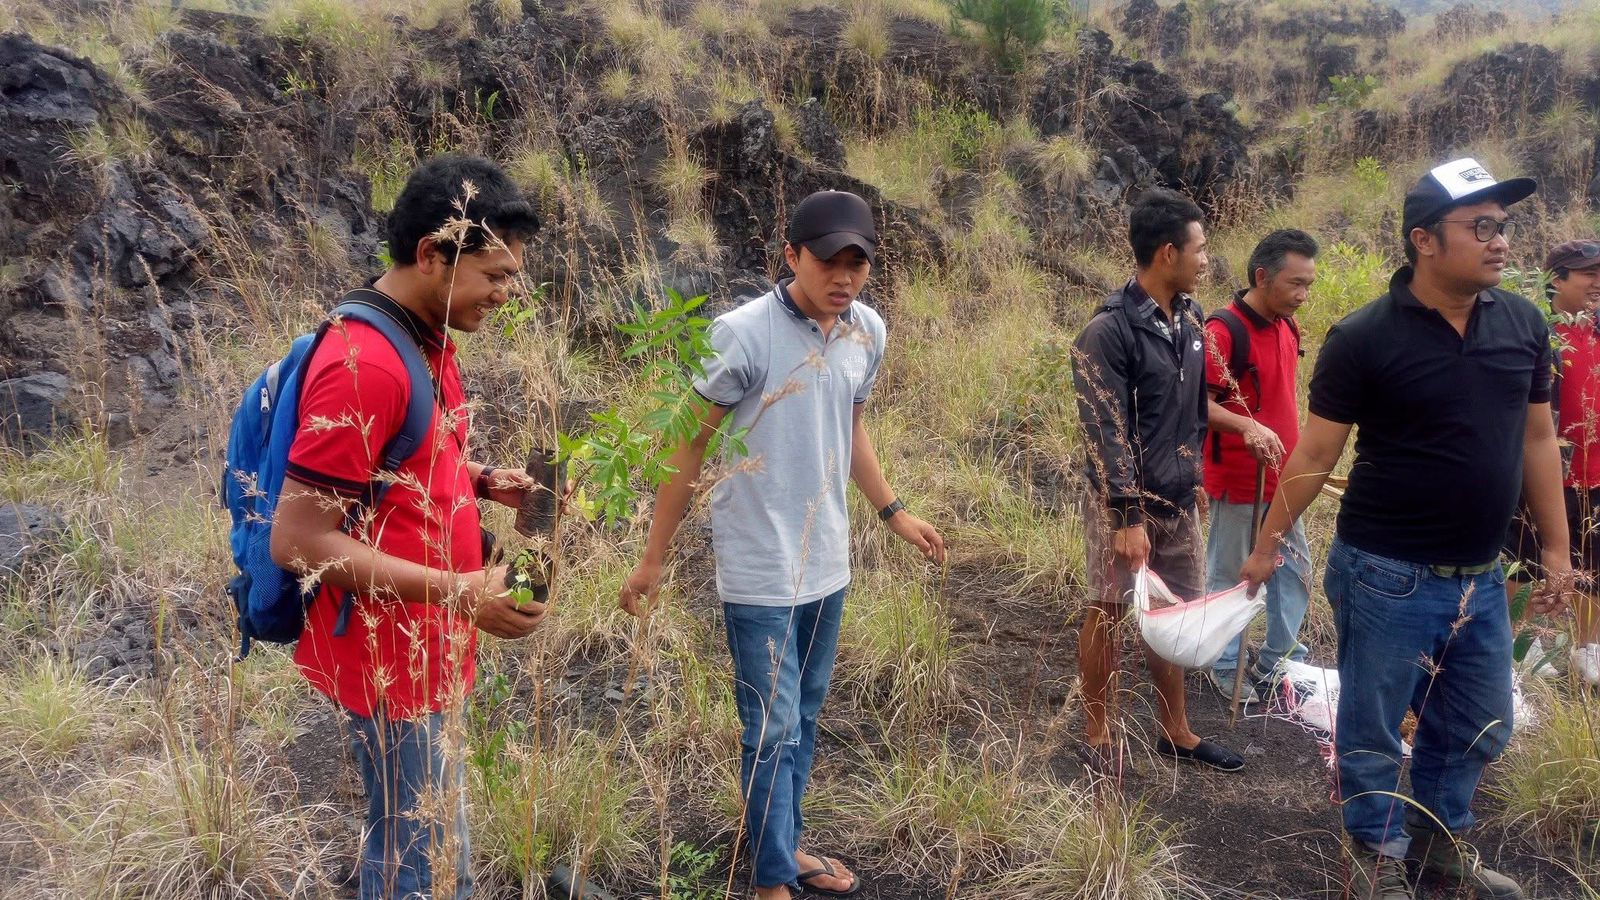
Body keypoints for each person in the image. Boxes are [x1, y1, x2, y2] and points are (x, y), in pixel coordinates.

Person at [1240, 158, 1573, 900]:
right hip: (1385, 571)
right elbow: (1317, 450)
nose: (1499, 243)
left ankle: (1439, 847)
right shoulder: (1364, 338)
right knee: (1373, 727)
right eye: (1479, 227)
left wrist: (1555, 547)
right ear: (1423, 240)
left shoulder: (1522, 323)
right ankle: (1377, 859)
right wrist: (1267, 544)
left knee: (1480, 722)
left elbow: (1537, 440)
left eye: (1503, 227)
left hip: (1482, 576)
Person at [617, 190, 946, 900]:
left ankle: (784, 846)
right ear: (791, 255)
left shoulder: (868, 332)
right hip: (760, 568)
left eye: (858, 263)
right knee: (768, 729)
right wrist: (653, 559)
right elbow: (689, 446)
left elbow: (850, 428)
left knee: (802, 716)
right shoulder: (743, 334)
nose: (845, 277)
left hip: (828, 561)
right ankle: (771, 879)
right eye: (830, 260)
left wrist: (894, 513)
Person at [270, 155, 547, 899]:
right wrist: (462, 592)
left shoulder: (426, 339)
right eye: (495, 275)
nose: (506, 293)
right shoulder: (365, 363)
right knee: (421, 857)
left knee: (417, 835)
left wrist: (485, 484)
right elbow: (297, 538)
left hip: (428, 644)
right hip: (390, 663)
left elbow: (401, 462)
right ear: (431, 255)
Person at [1070, 187, 1245, 774]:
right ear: (1168, 252)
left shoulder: (1191, 320)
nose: (1206, 260)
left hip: (1178, 496)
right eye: (1200, 249)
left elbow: (1191, 407)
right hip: (1126, 505)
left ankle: (1177, 731)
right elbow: (1105, 431)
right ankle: (1098, 734)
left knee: (1177, 615)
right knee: (1111, 607)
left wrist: (1192, 469)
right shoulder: (1108, 331)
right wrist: (1126, 516)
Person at [1202, 229, 1319, 704]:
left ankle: (1279, 660)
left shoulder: (1287, 326)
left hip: (1287, 478)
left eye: (1308, 284)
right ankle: (1226, 663)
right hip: (1238, 481)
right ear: (1261, 276)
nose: (1302, 295)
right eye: (1295, 284)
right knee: (1232, 573)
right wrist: (1246, 428)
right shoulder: (1222, 331)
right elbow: (1196, 405)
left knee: (1294, 570)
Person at [1506, 239, 1600, 682]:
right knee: (1523, 557)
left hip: (1594, 473)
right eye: (1589, 275)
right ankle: (1522, 645)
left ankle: (1588, 649)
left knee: (1593, 564)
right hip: (1542, 473)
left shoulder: (1598, 328)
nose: (1597, 284)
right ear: (1556, 279)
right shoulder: (1533, 332)